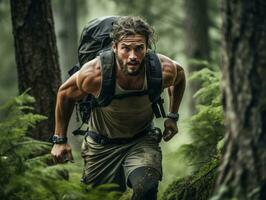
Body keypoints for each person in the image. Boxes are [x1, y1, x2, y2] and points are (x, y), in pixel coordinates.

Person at [51, 16, 185, 200]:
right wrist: (59, 140)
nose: (132, 56)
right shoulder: (94, 75)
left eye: (139, 48)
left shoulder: (163, 69)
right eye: (126, 48)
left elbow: (180, 77)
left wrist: (172, 116)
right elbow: (65, 93)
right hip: (101, 146)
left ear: (147, 48)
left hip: (141, 140)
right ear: (114, 47)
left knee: (146, 187)